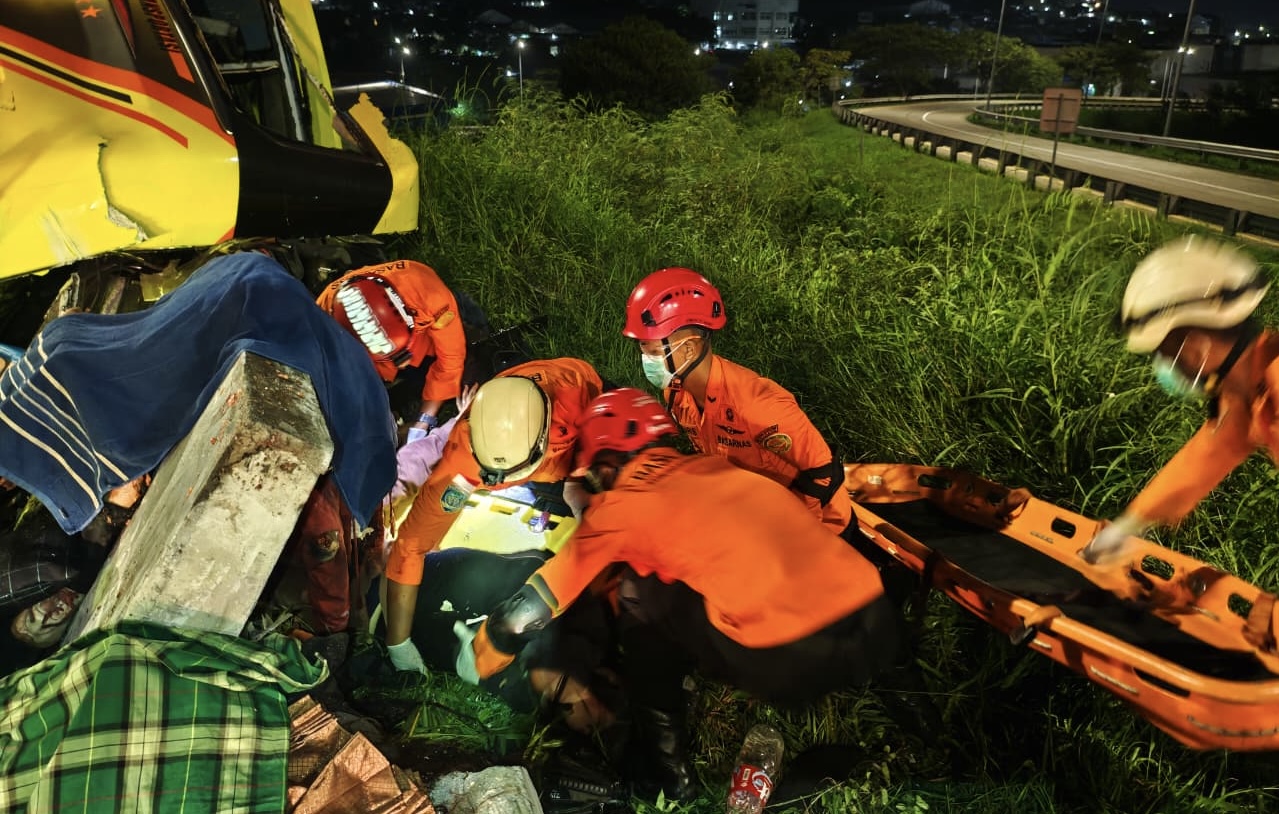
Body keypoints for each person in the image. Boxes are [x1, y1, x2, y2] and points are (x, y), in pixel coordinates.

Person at [452, 389, 922, 800]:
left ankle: (667, 776)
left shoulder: (621, 505)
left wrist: (487, 651)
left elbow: (524, 614)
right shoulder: (713, 466)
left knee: (638, 596)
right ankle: (915, 704)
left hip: (792, 659)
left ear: (607, 463)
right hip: (874, 617)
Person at [382, 358, 604, 673]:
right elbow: (410, 545)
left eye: (504, 476)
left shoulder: (577, 395)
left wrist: (578, 484)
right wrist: (398, 643)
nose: (495, 483)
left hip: (566, 442)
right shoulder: (463, 457)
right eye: (488, 476)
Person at [1082, 236, 1274, 565]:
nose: (1167, 367)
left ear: (1196, 346)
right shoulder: (1249, 394)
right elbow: (1206, 457)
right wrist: (1131, 523)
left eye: (1167, 354)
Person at [622, 267, 851, 534]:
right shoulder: (676, 394)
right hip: (749, 508)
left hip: (813, 525)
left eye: (650, 350)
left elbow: (822, 472)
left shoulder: (757, 405)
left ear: (688, 348)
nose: (645, 359)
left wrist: (794, 534)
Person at [317, 259, 468, 443]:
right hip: (363, 353)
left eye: (401, 355)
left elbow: (450, 360)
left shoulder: (430, 295)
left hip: (422, 335)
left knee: (466, 362)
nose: (402, 364)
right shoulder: (324, 317)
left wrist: (424, 421)